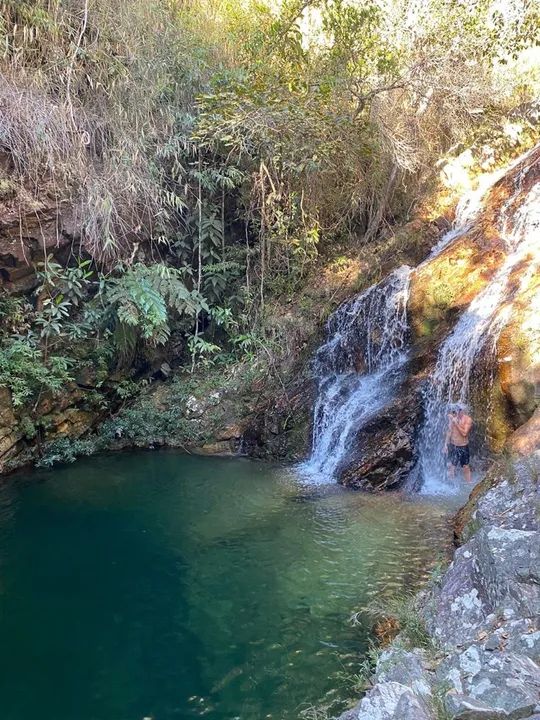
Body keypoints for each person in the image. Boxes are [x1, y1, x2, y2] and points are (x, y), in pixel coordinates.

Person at [444, 403, 473, 482]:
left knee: (465, 467)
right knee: (451, 466)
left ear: (462, 411)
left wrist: (456, 423)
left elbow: (464, 433)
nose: (457, 413)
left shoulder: (468, 420)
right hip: (454, 446)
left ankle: (469, 483)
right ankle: (451, 486)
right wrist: (445, 445)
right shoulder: (453, 418)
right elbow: (449, 431)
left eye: (459, 411)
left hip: (463, 446)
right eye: (456, 411)